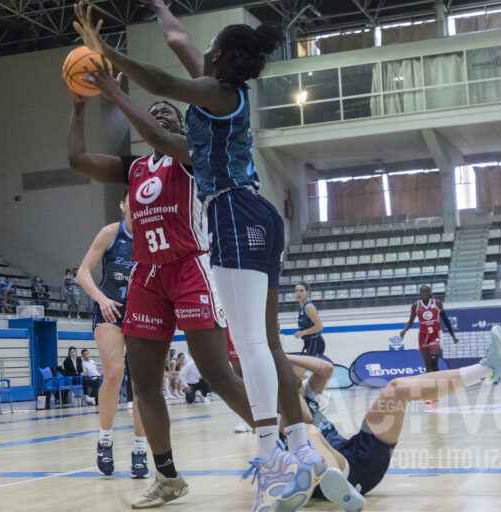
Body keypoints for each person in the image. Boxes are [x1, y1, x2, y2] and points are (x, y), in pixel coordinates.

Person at [74, 3, 325, 509]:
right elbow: (177, 41)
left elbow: (163, 98)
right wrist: (161, 7)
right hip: (255, 214)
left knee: (249, 345)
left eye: (209, 49)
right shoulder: (220, 86)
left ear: (220, 57)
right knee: (267, 344)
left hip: (231, 211)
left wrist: (110, 67)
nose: (200, 50)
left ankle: (274, 460)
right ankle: (303, 451)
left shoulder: (213, 92)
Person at [67, 46, 258, 509]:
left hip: (191, 266)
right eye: (154, 110)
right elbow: (76, 161)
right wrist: (78, 102)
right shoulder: (134, 169)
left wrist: (115, 91)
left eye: (167, 111)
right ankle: (168, 476)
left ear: (182, 122)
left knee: (217, 370)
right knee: (145, 384)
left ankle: (288, 442)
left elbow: (152, 132)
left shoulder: (194, 153)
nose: (158, 114)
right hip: (147, 277)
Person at [294, 326, 501, 510]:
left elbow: (325, 367)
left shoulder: (307, 392)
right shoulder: (273, 411)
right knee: (308, 431)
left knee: (397, 388)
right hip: (333, 475)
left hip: (355, 451)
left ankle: (488, 369)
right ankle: (340, 487)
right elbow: (302, 419)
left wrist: (279, 356)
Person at [75, 192, 149, 478]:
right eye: (131, 200)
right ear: (123, 205)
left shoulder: (153, 235)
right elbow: (83, 272)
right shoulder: (110, 233)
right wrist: (101, 300)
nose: (136, 204)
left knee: (143, 382)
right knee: (114, 373)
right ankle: (105, 440)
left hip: (143, 311)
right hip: (110, 309)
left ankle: (140, 450)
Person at [399, 284, 459, 404]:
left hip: (435, 335)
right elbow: (410, 321)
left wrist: (453, 336)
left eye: (427, 291)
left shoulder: (437, 303)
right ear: (420, 294)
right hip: (423, 337)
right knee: (427, 368)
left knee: (433, 360)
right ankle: (430, 394)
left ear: (430, 293)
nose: (425, 293)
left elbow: (446, 319)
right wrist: (405, 330)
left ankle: (438, 389)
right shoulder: (416, 306)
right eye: (423, 292)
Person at [295, 282, 326, 356]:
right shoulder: (301, 306)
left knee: (300, 367)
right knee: (301, 367)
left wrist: (302, 333)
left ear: (307, 293)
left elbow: (319, 327)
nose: (298, 293)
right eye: (296, 291)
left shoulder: (308, 307)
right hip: (308, 342)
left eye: (301, 291)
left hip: (315, 342)